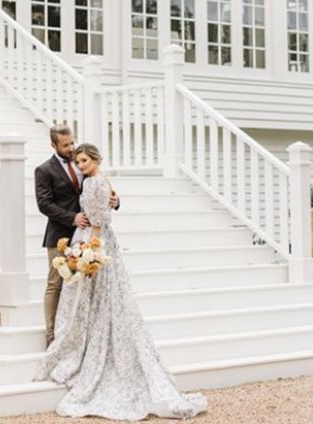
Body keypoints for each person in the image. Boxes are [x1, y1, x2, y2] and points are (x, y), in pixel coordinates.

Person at [34, 143, 208, 420]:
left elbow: (100, 218)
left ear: (94, 160)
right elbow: (106, 206)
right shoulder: (98, 180)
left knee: (95, 294)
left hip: (94, 241)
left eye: (83, 161)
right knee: (93, 296)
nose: (80, 166)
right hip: (95, 240)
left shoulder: (94, 183)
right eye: (78, 162)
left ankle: (85, 347)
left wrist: (91, 247)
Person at [35, 126, 118, 348]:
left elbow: (102, 190)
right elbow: (44, 204)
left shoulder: (83, 162)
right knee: (56, 284)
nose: (71, 148)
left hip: (87, 235)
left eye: (72, 143)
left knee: (82, 286)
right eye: (65, 145)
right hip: (60, 233)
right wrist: (72, 218)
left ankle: (77, 334)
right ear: (53, 145)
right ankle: (52, 336)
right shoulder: (44, 170)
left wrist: (115, 200)